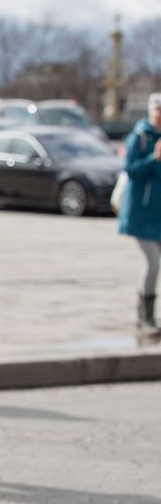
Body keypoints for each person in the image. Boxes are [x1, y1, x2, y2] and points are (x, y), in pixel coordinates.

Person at [118, 92, 161, 341]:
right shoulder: (140, 136)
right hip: (141, 213)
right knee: (153, 262)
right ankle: (145, 317)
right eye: (158, 110)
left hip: (158, 213)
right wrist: (153, 158)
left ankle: (147, 315)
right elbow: (131, 170)